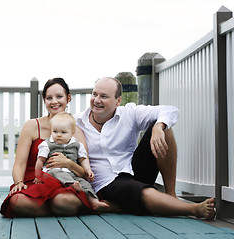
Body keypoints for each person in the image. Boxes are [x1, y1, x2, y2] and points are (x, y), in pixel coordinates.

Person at [74, 77, 215, 219]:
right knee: (142, 191)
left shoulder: (128, 113)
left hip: (132, 169)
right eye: (94, 94)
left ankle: (171, 195)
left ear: (118, 101)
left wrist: (159, 127)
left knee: (164, 127)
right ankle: (193, 209)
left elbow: (170, 111)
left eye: (103, 96)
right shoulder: (77, 122)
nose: (97, 100)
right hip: (107, 183)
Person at [0, 78, 94, 217]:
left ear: (68, 98)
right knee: (18, 201)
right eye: (49, 98)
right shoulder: (32, 126)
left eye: (59, 96)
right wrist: (18, 182)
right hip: (34, 180)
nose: (54, 101)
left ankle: (58, 206)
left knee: (66, 201)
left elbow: (84, 173)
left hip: (65, 182)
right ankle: (57, 209)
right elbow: (20, 164)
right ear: (44, 101)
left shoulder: (76, 132)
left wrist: (68, 163)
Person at [34, 112, 109, 211]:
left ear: (72, 132)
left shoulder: (77, 144)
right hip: (52, 172)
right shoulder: (47, 144)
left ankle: (94, 201)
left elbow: (83, 158)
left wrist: (88, 170)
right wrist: (38, 176)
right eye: (55, 131)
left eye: (63, 132)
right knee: (56, 172)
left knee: (85, 184)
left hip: (72, 174)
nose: (59, 135)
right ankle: (71, 185)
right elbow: (40, 160)